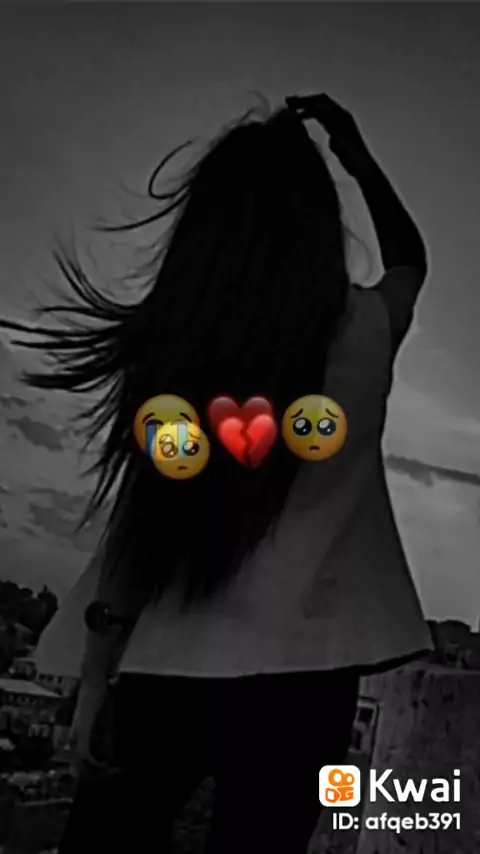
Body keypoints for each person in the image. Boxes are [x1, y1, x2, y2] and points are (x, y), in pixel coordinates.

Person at [9, 93, 433, 853]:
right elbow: (410, 264)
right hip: (306, 674)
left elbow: (143, 518)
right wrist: (359, 160)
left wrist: (97, 675)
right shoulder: (366, 328)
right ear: (315, 224)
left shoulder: (181, 336)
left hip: (167, 662)